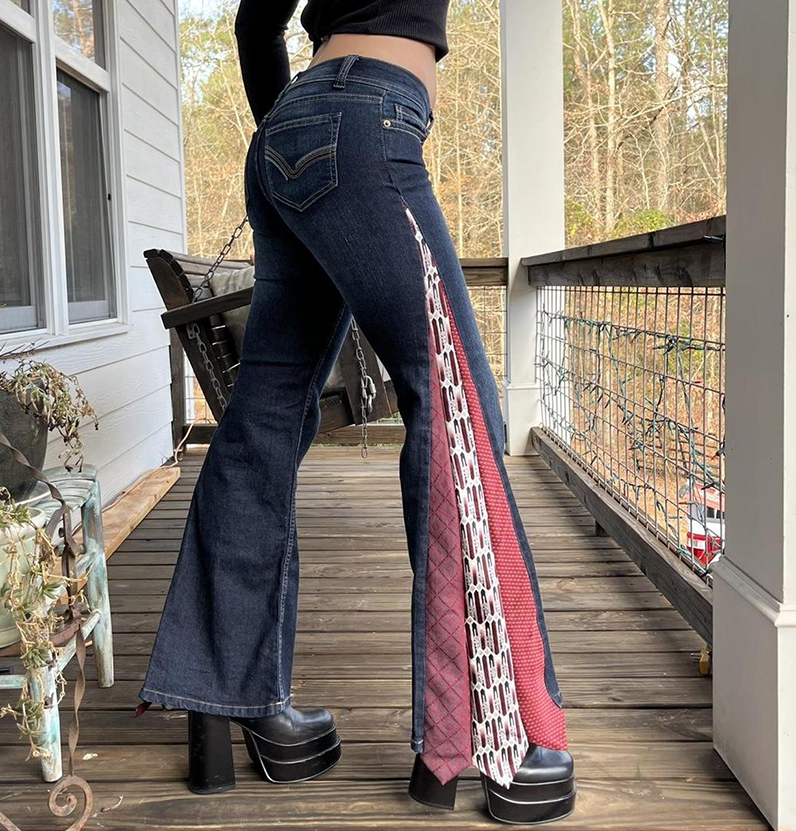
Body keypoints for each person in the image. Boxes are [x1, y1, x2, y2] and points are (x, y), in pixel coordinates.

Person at [138, 0, 575, 823]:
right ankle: (496, 727)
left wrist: (295, 132)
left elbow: (254, 23)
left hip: (290, 130)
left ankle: (225, 694)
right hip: (368, 121)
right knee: (451, 398)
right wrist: (337, 136)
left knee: (263, 419)